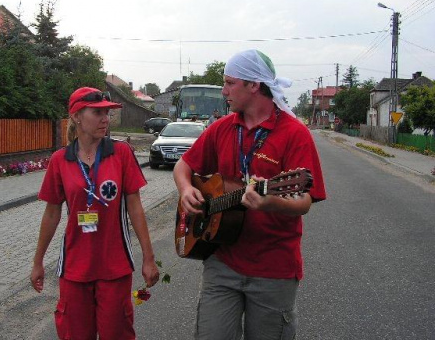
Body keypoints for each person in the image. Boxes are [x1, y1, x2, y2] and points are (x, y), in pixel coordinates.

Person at [173, 49, 326, 340]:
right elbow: (184, 165)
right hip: (221, 259)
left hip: (273, 268)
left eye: (230, 83)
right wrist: (186, 189)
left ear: (253, 85)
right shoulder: (221, 128)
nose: (224, 90)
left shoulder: (294, 134)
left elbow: (305, 200)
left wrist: (270, 201)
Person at [30, 87, 160, 340]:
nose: (105, 119)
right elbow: (51, 214)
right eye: (97, 113)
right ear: (77, 116)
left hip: (115, 266)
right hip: (75, 268)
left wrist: (148, 257)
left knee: (116, 334)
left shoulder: (121, 153)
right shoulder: (60, 160)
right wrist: (37, 262)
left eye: (107, 113)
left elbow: (135, 207)